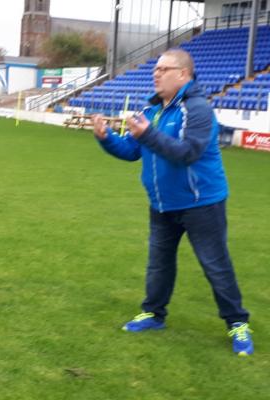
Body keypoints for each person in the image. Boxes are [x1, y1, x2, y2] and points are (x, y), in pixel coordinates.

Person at [92, 48, 253, 356]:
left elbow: (187, 152)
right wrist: (106, 138)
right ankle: (154, 314)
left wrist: (148, 135)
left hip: (201, 203)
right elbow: (132, 150)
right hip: (162, 204)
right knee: (159, 264)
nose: (156, 73)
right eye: (156, 68)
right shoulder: (153, 110)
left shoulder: (198, 109)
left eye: (164, 69)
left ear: (183, 75)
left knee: (215, 266)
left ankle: (237, 323)